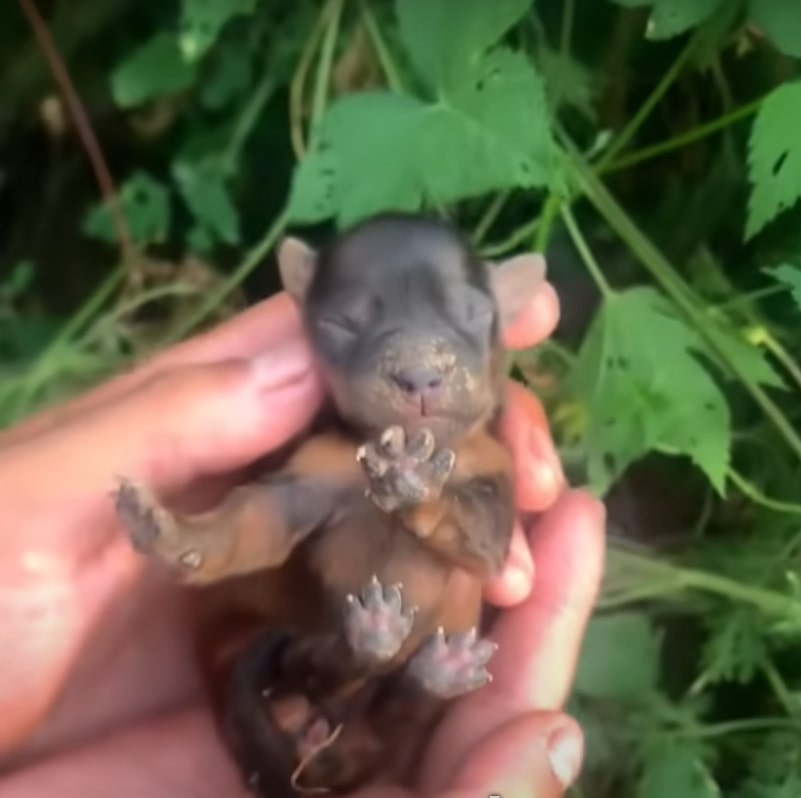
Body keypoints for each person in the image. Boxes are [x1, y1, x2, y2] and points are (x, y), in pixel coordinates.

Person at [0, 280, 605, 798]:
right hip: (306, 637)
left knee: (402, 677)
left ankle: (395, 680)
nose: (418, 390)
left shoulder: (480, 461)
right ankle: (375, 670)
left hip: (378, 659)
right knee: (330, 643)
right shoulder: (331, 451)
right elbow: (275, 517)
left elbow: (482, 546)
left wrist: (426, 505)